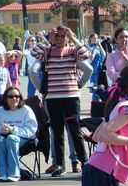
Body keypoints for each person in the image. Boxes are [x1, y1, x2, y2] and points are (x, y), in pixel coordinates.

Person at [31, 25, 89, 177]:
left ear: (67, 37)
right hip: (53, 98)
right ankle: (60, 165)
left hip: (71, 97)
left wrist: (73, 37)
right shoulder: (48, 52)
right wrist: (48, 40)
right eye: (57, 36)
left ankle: (85, 163)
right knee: (57, 132)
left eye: (62, 36)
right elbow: (34, 52)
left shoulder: (72, 51)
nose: (59, 39)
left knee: (75, 131)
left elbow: (86, 54)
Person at [0, 87, 37, 182]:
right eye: (10, 96)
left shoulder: (26, 110)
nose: (14, 99)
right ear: (5, 99)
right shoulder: (0, 111)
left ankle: (14, 174)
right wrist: (2, 130)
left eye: (17, 96)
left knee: (11, 139)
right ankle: (2, 174)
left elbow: (31, 131)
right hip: (4, 138)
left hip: (23, 139)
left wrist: (12, 130)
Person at [88, 33, 106, 101]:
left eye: (96, 38)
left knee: (100, 90)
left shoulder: (98, 46)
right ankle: (94, 107)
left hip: (100, 71)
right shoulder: (89, 47)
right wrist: (95, 50)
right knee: (94, 91)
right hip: (93, 72)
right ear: (91, 39)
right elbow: (91, 58)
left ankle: (97, 106)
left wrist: (100, 45)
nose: (95, 39)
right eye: (94, 38)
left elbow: (104, 55)